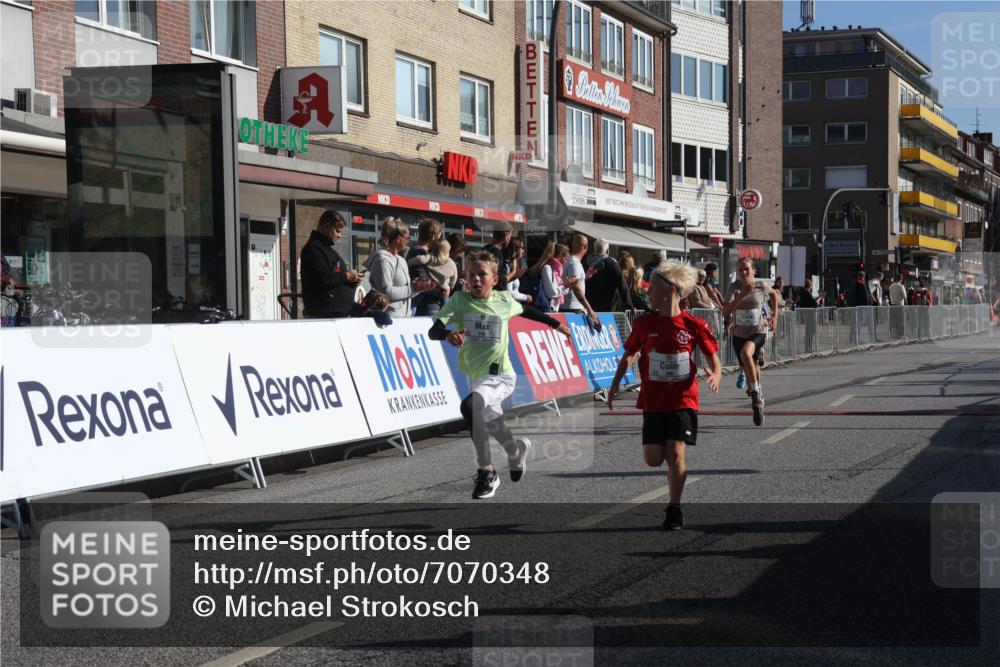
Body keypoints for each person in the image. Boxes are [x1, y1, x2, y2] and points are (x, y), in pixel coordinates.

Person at [429, 251, 571, 499]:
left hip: (501, 376)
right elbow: (434, 329)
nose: (475, 279)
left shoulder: (504, 300)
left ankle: (487, 472)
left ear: (494, 279)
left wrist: (556, 324)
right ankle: (515, 451)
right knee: (492, 423)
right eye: (471, 274)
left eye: (482, 275)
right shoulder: (459, 300)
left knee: (470, 406)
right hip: (475, 376)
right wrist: (447, 335)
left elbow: (527, 310)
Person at [607, 260, 722, 530]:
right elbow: (630, 355)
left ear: (671, 291)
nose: (648, 293)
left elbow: (712, 355)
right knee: (653, 459)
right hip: (653, 400)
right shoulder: (645, 323)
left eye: (653, 288)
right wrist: (614, 386)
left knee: (676, 454)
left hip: (683, 399)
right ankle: (673, 497)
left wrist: (716, 373)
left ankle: (674, 508)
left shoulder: (692, 324)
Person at [722, 257, 779, 426]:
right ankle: (758, 402)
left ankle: (755, 391)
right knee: (750, 369)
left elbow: (774, 295)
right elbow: (725, 311)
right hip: (739, 334)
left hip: (757, 331)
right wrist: (742, 295)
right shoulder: (734, 287)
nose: (744, 272)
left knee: (746, 353)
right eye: (740, 270)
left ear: (753, 270)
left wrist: (775, 315)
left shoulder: (761, 285)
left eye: (746, 269)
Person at [365, 217, 435, 318]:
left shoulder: (401, 260)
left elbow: (406, 292)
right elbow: (385, 292)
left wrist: (420, 288)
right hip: (388, 318)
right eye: (407, 238)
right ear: (398, 239)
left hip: (404, 318)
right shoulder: (382, 260)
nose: (408, 241)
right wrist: (412, 288)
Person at [300, 211, 364, 318]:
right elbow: (324, 278)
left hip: (337, 314)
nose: (339, 236)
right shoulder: (313, 249)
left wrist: (352, 281)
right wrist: (347, 276)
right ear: (326, 227)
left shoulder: (327, 250)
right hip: (324, 317)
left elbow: (336, 279)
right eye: (337, 231)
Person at [407, 238, 458, 316]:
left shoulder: (431, 257)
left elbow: (419, 259)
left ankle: (409, 316)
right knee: (447, 309)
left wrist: (409, 262)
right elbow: (454, 278)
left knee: (414, 303)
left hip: (427, 287)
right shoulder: (451, 263)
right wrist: (450, 286)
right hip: (442, 290)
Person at [407, 217, 445, 316]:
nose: (440, 238)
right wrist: (442, 287)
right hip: (427, 305)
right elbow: (423, 280)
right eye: (439, 235)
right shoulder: (419, 251)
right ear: (433, 236)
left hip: (426, 303)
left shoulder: (420, 250)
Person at [585, 238, 634, 312]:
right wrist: (630, 305)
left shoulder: (586, 262)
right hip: (607, 308)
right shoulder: (611, 263)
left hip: (589, 307)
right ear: (607, 250)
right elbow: (622, 285)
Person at [483, 223, 524, 291]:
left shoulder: (484, 249)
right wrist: (513, 273)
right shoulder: (496, 253)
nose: (510, 238)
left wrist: (513, 277)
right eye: (510, 235)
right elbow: (497, 281)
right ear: (506, 235)